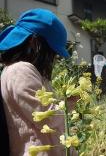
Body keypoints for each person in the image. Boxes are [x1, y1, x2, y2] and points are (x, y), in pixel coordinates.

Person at [0, 8, 69, 156]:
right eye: (52, 53)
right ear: (34, 42)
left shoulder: (30, 72)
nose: (54, 59)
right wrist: (69, 105)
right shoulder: (20, 70)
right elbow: (45, 116)